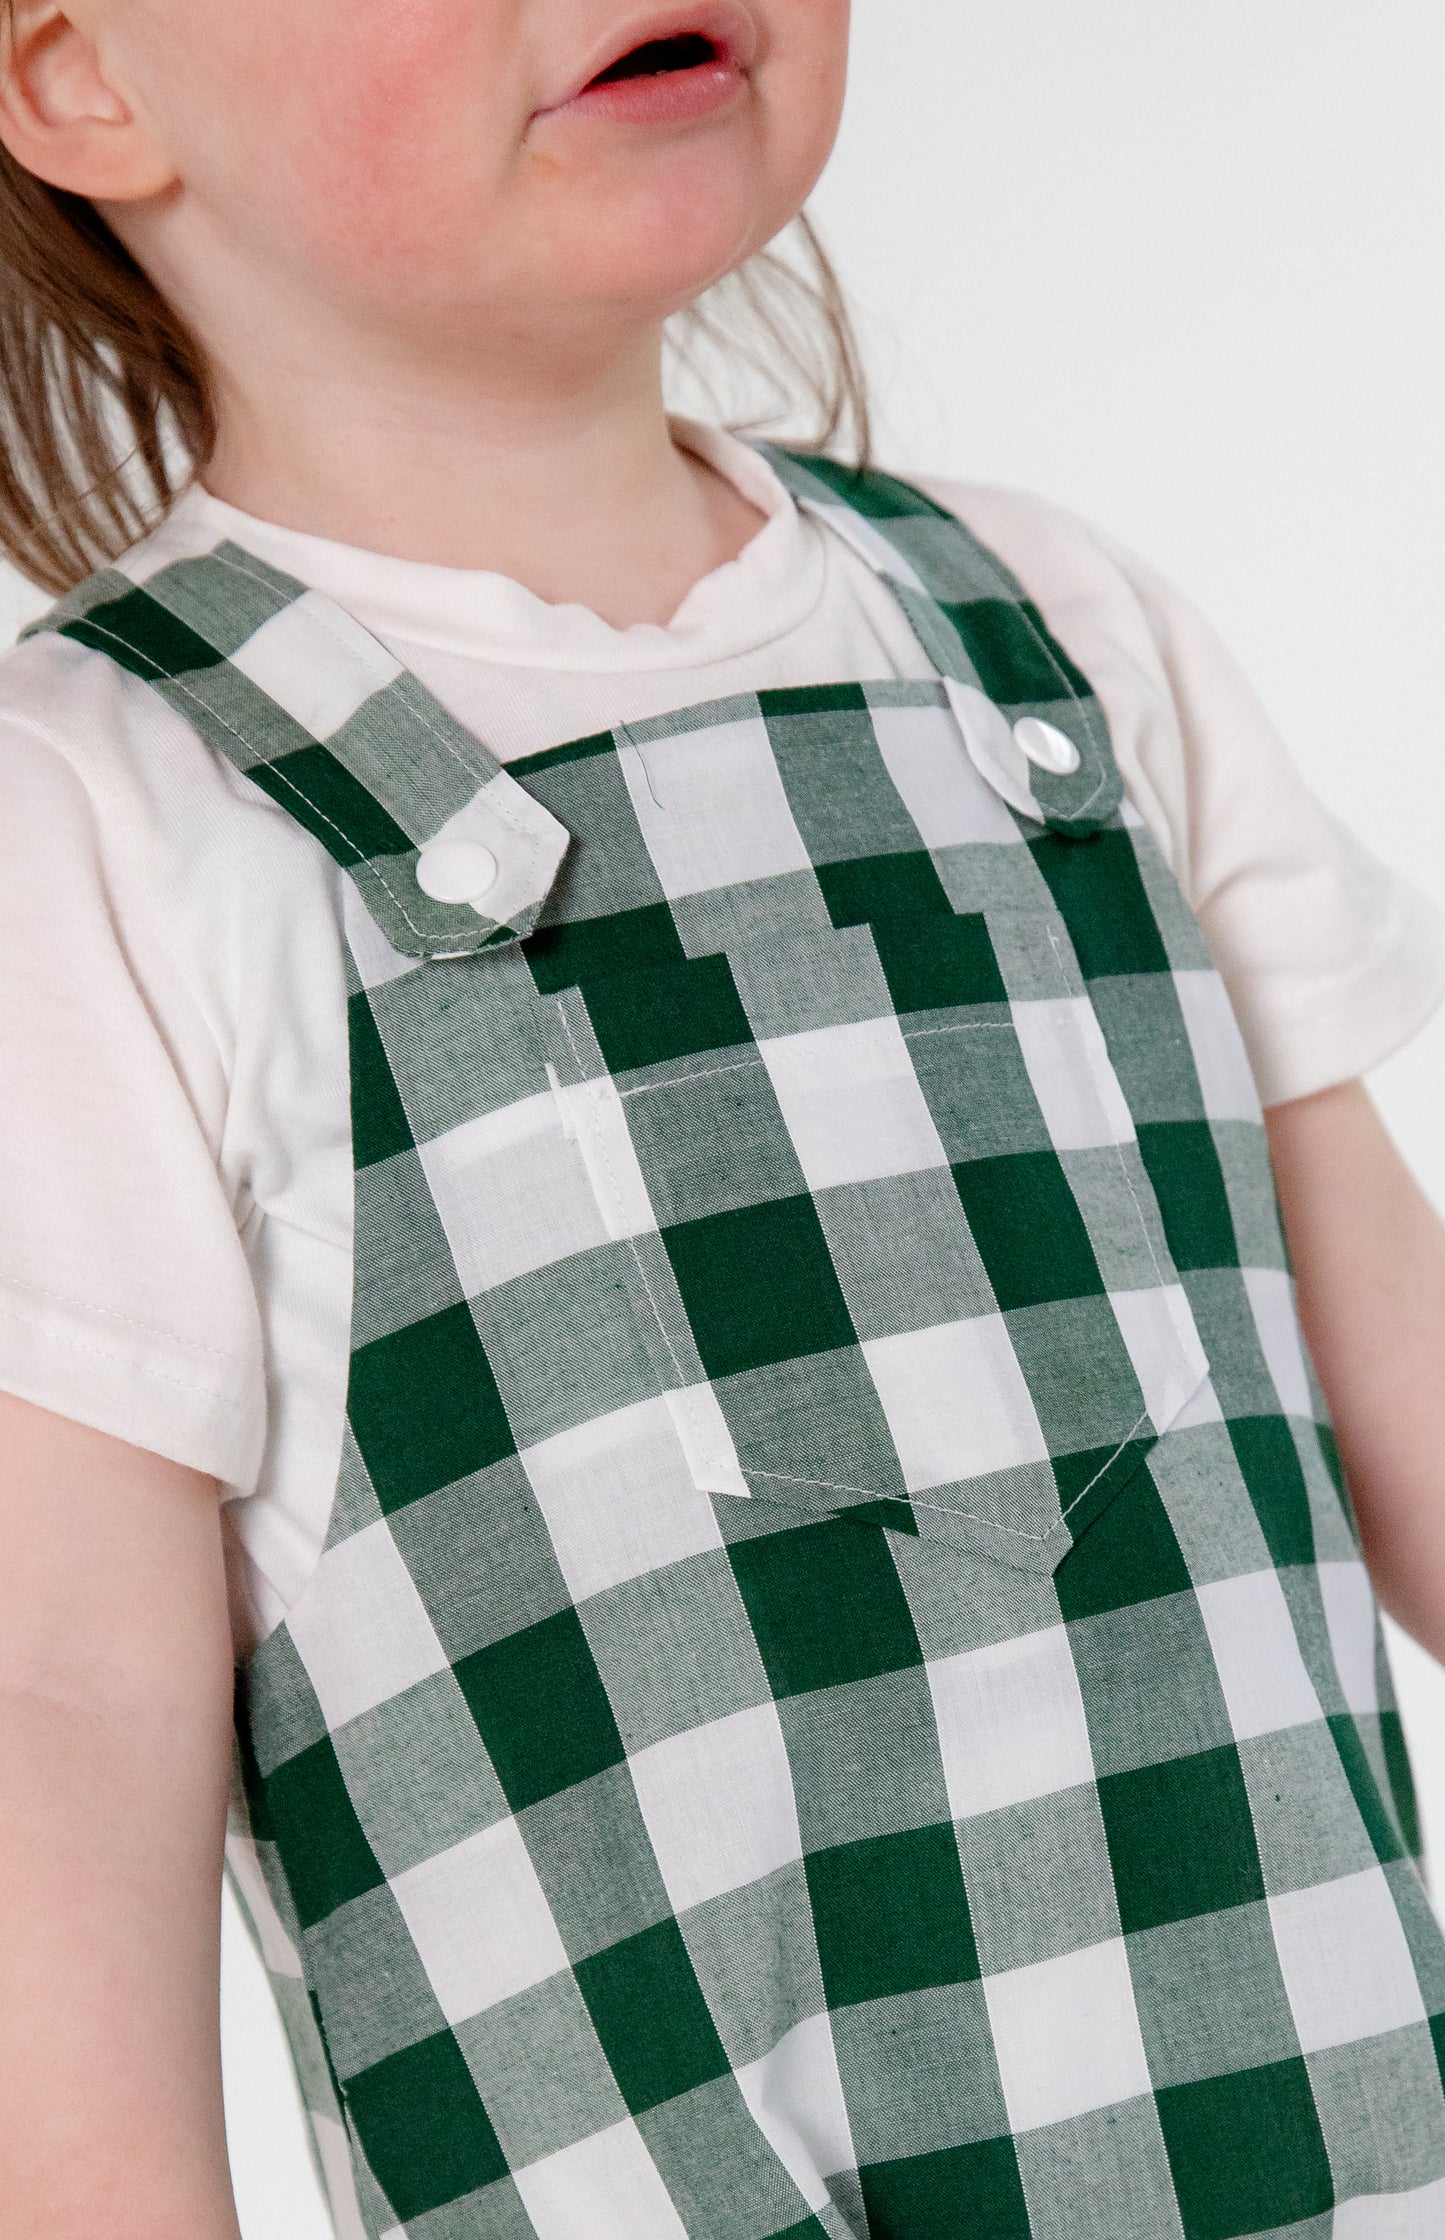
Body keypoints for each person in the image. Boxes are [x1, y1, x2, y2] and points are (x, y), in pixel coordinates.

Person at [1, 0, 1444, 2233]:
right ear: (78, 77)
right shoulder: (100, 830)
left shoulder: (1057, 649)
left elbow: (1411, 1393)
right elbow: (57, 1746)